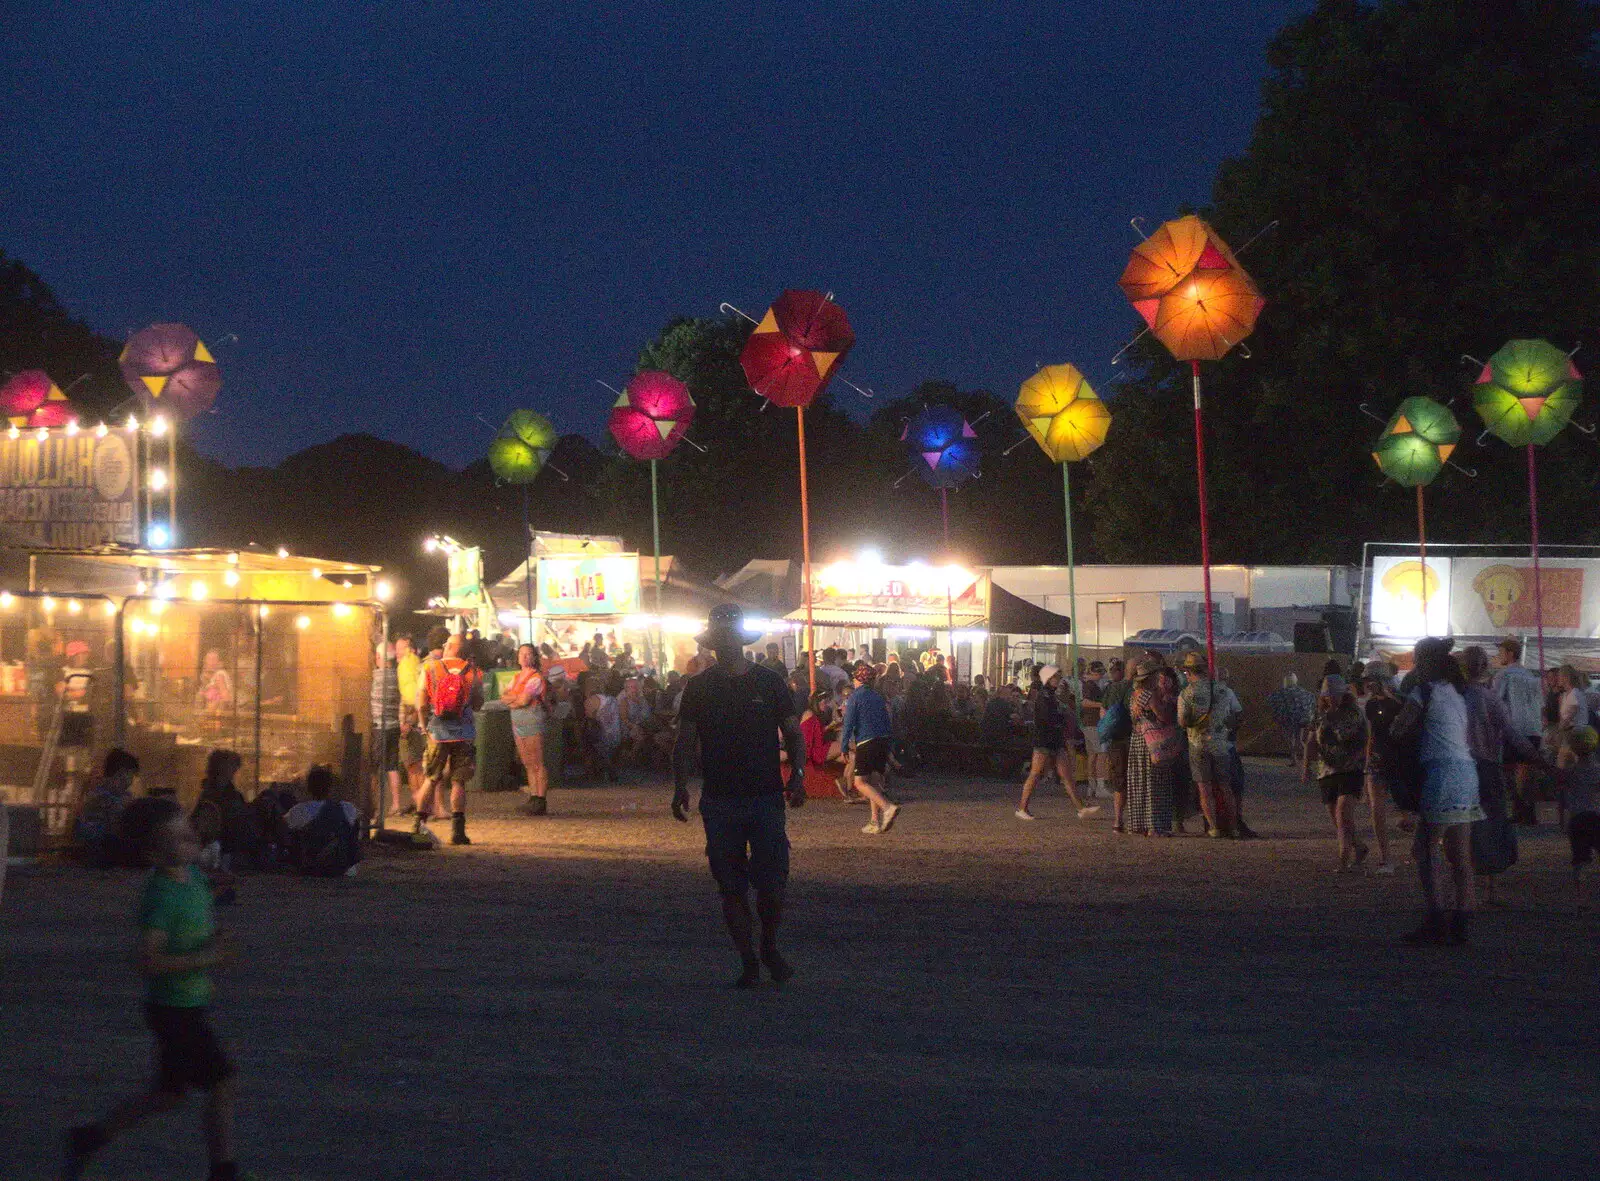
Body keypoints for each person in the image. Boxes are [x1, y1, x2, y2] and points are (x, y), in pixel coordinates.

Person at [63, 806, 244, 1181]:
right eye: (179, 837)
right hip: (174, 1010)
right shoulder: (159, 896)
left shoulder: (193, 877)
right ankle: (224, 1171)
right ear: (153, 854)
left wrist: (215, 940)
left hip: (188, 1002)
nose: (191, 839)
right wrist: (207, 956)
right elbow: (150, 962)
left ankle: (90, 1137)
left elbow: (198, 922)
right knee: (222, 1080)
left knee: (169, 1094)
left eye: (188, 830)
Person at [672, 604, 807, 988]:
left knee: (771, 883)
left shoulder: (770, 683)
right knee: (732, 886)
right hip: (723, 800)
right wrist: (680, 785)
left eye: (729, 640)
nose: (725, 647)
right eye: (721, 641)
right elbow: (684, 743)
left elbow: (793, 735)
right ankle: (752, 957)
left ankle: (765, 947)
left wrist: (797, 775)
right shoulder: (699, 687)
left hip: (761, 797)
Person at [1391, 637, 1482, 946]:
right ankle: (1463, 921)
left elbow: (1398, 729)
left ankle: (1436, 917)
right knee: (1460, 854)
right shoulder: (1457, 692)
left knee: (1426, 849)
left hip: (1441, 772)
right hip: (1467, 772)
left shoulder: (1423, 691)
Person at [1462, 645, 1534, 905]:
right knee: (1490, 824)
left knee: (1465, 826)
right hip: (1487, 766)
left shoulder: (1453, 696)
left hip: (1463, 766)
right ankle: (1489, 888)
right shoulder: (1487, 697)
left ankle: (1468, 887)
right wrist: (1537, 758)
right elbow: (1511, 733)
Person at [418, 628, 484, 846]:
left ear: (449, 647)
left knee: (431, 777)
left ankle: (418, 826)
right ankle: (458, 831)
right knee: (459, 781)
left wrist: (423, 725)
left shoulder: (430, 668)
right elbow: (477, 703)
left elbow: (421, 702)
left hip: (438, 731)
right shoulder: (473, 672)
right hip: (464, 732)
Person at [1016, 665, 1100, 822]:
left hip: (1054, 740)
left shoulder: (1051, 696)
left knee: (1066, 775)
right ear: (1048, 679)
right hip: (1045, 742)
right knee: (1035, 774)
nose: (1059, 680)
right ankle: (1022, 807)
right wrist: (1062, 717)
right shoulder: (1044, 697)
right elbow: (1047, 719)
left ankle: (1081, 808)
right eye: (1056, 677)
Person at [1177, 651, 1241, 838]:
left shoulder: (1186, 694)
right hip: (1222, 745)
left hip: (1197, 744)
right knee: (1225, 787)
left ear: (1188, 672)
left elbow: (1182, 722)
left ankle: (1213, 827)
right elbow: (1237, 713)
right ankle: (1233, 827)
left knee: (1204, 789)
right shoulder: (1224, 690)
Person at [1315, 675, 1370, 871]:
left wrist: (1329, 721)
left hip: (1350, 768)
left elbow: (1343, 735)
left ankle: (1344, 859)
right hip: (1327, 770)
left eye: (1335, 695)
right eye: (1328, 696)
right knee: (1337, 817)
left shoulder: (1352, 712)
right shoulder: (1322, 713)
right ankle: (1359, 846)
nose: (1331, 699)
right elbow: (1316, 739)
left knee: (1342, 813)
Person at [840, 664, 901, 834]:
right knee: (874, 781)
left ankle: (887, 807)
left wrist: (844, 745)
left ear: (858, 679)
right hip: (882, 740)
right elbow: (888, 721)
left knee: (860, 782)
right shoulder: (878, 697)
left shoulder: (855, 697)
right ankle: (874, 821)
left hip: (867, 741)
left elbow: (848, 723)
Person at [1126, 655, 1180, 836]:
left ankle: (1138, 824)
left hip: (1137, 741)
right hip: (1153, 742)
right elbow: (1163, 716)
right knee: (1155, 784)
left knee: (1139, 783)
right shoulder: (1150, 695)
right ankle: (1155, 827)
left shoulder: (1134, 695)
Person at [1491, 638, 1543, 825]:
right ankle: (1527, 810)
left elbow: (1495, 703)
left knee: (1509, 771)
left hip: (1514, 729)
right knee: (1527, 772)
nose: (1499, 656)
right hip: (1534, 729)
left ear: (1510, 654)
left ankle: (1519, 808)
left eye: (1501, 652)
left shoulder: (1504, 675)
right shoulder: (1531, 676)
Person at [284, 765, 361, 876]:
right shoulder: (348, 808)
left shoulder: (299, 810)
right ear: (331, 787)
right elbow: (355, 832)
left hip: (310, 868)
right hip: (343, 868)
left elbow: (285, 831)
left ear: (308, 788)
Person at [1362, 672, 1402, 873]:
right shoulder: (1373, 706)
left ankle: (1388, 856)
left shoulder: (1396, 704)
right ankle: (1386, 856)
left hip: (1391, 759)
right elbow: (1371, 736)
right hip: (1382, 758)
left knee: (1383, 808)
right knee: (1377, 808)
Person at [75, 748, 142, 868]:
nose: (130, 782)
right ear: (121, 773)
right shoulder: (99, 800)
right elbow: (88, 834)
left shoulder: (123, 797)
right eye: (130, 776)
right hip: (102, 864)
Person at [505, 644, 550, 815]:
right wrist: (517, 699)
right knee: (528, 762)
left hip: (532, 722)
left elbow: (523, 700)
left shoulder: (535, 677)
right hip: (519, 723)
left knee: (536, 762)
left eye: (528, 654)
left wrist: (514, 700)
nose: (524, 657)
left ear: (534, 657)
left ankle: (540, 798)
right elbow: (505, 697)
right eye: (521, 654)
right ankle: (534, 796)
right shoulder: (517, 677)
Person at [1557, 725, 1600, 895]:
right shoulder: (1597, 771)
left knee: (1579, 860)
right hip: (1595, 816)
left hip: (1577, 819)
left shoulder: (1570, 772)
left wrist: (1562, 821)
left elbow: (1562, 798)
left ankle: (1579, 894)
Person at [370, 640, 404, 818]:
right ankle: (397, 805)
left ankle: (373, 806)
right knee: (392, 766)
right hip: (394, 725)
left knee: (374, 768)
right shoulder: (398, 676)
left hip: (378, 726)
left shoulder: (374, 677)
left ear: (378, 657)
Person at [1267, 672, 1317, 775]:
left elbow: (1271, 700)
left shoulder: (1282, 692)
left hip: (1289, 718)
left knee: (1291, 739)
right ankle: (1307, 762)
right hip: (1304, 718)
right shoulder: (1303, 691)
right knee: (1300, 740)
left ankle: (1294, 760)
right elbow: (1312, 699)